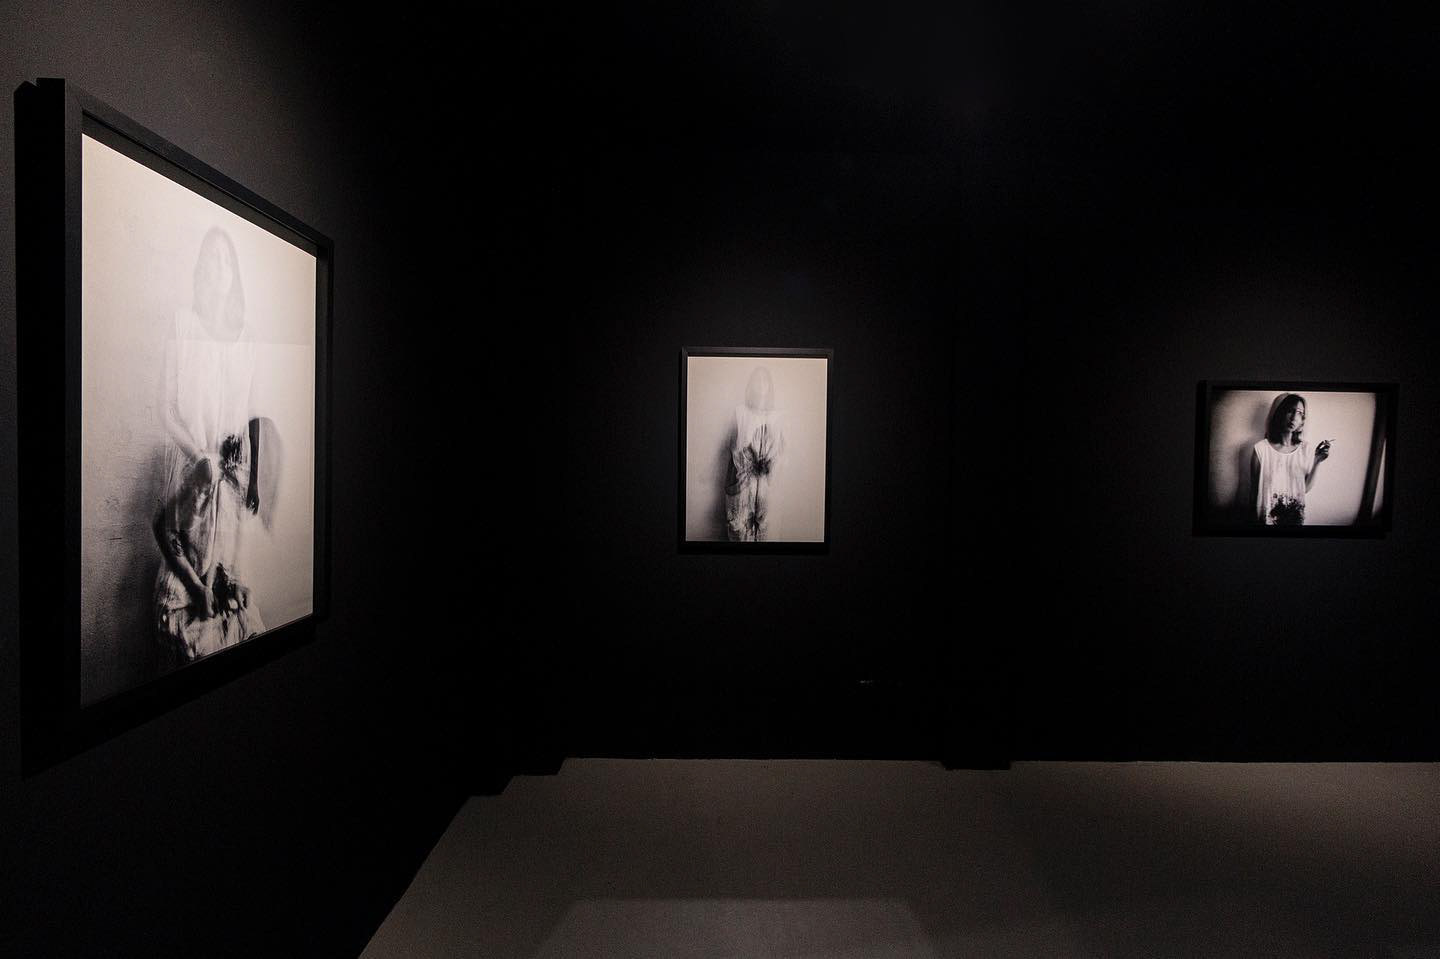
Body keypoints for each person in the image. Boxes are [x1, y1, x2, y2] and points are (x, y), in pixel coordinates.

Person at [152, 227, 266, 666]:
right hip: (195, 474)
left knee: (233, 603)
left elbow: (252, 412)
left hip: (231, 487)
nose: (217, 268)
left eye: (225, 260)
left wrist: (253, 479)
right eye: (209, 259)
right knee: (188, 613)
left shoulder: (247, 340)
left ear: (233, 274)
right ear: (200, 270)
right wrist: (198, 458)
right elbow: (165, 407)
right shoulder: (182, 324)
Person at [725, 366, 787, 541]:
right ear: (750, 385)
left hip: (767, 489)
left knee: (766, 534)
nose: (761, 383)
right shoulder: (740, 412)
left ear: (770, 385)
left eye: (764, 379)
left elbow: (782, 453)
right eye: (757, 379)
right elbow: (732, 448)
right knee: (740, 533)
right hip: (742, 486)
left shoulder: (778, 417)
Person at [1250, 392, 1331, 526]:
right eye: (1290, 411)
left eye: (1299, 413)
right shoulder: (1261, 449)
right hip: (1265, 522)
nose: (1294, 417)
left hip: (1294, 521)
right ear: (1280, 413)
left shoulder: (1305, 449)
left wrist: (1317, 461)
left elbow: (1303, 489)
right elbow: (1254, 492)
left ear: (1303, 419)